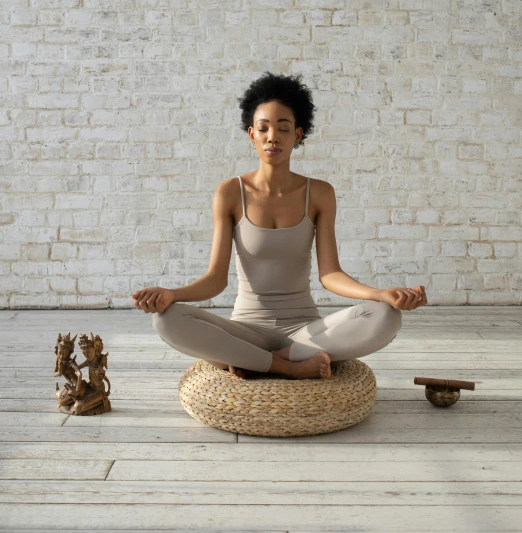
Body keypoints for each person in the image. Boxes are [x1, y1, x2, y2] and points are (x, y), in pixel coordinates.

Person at [133, 71, 427, 380]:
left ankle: (262, 361)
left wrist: (381, 294)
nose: (273, 136)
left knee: (385, 317)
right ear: (252, 135)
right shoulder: (230, 193)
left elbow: (330, 274)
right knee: (167, 320)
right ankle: (287, 366)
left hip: (307, 331)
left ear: (297, 135)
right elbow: (215, 280)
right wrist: (171, 294)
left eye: (283, 128)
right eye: (263, 128)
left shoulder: (320, 193)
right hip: (245, 329)